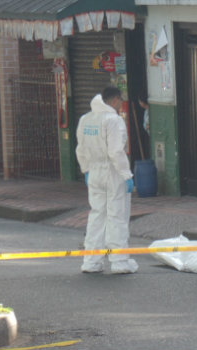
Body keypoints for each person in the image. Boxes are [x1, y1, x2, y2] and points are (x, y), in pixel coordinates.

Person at [76, 86, 138, 274]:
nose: (120, 104)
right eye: (120, 100)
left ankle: (91, 262)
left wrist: (86, 169)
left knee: (97, 215)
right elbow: (116, 152)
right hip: (113, 172)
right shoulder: (113, 120)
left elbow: (80, 148)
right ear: (114, 100)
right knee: (117, 216)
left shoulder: (85, 119)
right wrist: (126, 175)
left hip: (94, 172)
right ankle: (119, 262)